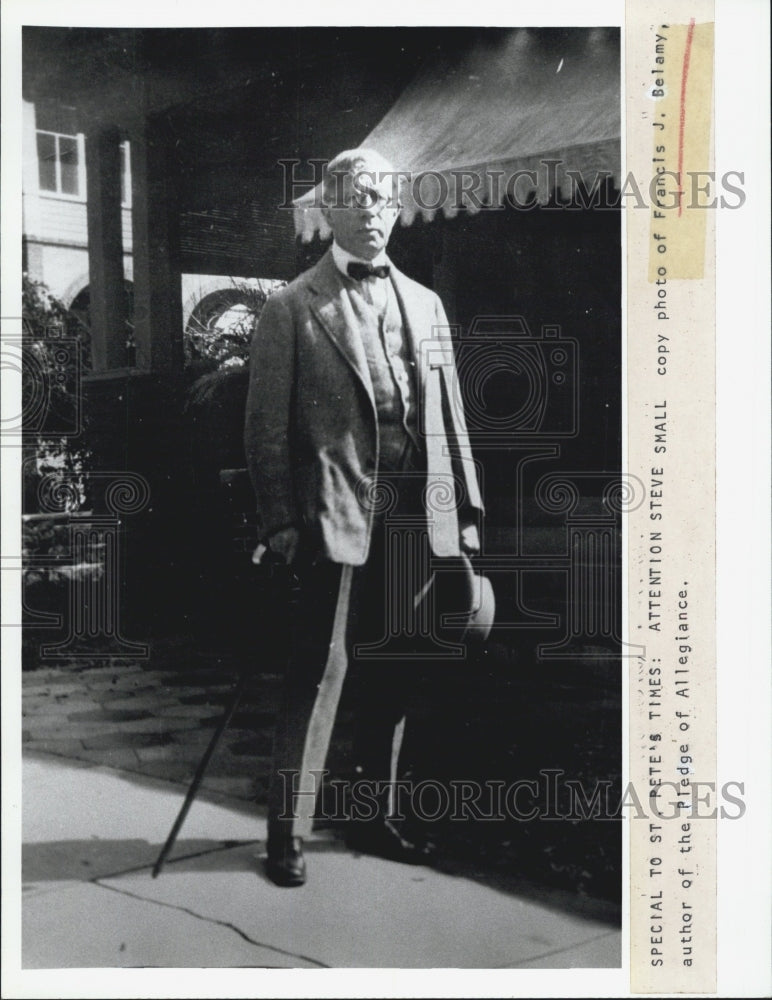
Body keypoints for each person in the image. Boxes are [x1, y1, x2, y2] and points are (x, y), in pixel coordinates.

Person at [244, 148, 484, 887]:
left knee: (395, 668)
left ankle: (371, 815)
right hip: (333, 517)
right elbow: (264, 427)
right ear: (334, 210)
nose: (377, 212)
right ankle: (289, 832)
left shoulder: (427, 303)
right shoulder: (292, 308)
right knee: (318, 673)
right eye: (362, 199)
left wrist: (465, 515)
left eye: (386, 199)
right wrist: (280, 519)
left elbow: (449, 419)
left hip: (415, 516)